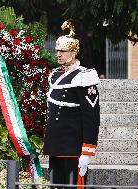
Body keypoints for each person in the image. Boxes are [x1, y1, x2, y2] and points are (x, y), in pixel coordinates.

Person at [43, 20, 100, 187]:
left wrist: (87, 152)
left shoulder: (85, 76)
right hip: (55, 145)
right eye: (57, 51)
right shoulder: (54, 75)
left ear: (73, 52)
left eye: (63, 51)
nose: (58, 54)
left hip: (73, 147)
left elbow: (91, 116)